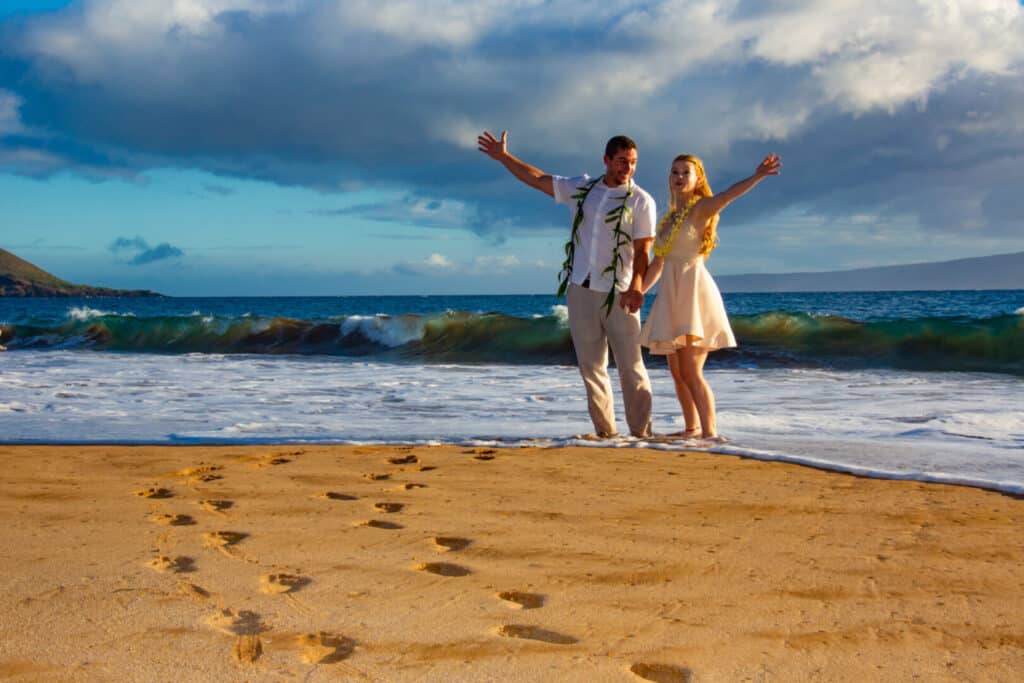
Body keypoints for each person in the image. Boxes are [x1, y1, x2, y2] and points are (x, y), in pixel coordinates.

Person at [477, 130, 657, 438]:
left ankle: (642, 435)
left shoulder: (642, 202)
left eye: (633, 162)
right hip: (580, 289)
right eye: (622, 161)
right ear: (606, 160)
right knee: (592, 367)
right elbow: (538, 179)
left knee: (632, 367)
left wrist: (637, 286)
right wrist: (504, 157)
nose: (628, 168)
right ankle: (606, 434)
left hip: (620, 292)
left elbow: (643, 251)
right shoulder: (583, 188)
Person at [640, 152, 782, 440]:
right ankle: (691, 428)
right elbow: (658, 263)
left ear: (698, 179)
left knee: (692, 370)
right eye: (675, 172)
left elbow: (729, 195)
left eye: (686, 173)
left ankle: (710, 433)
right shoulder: (667, 221)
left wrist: (756, 176)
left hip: (694, 291)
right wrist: (637, 292)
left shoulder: (701, 208)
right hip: (671, 292)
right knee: (677, 372)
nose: (679, 177)